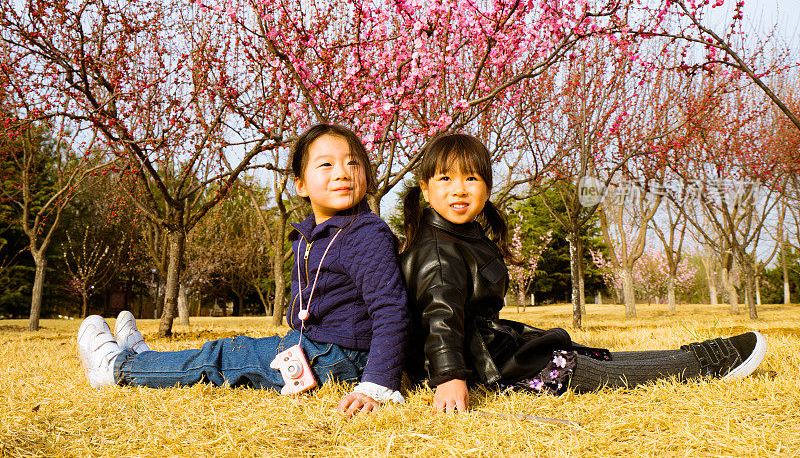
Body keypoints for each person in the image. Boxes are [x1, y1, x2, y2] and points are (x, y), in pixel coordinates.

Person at [399, 133, 767, 413]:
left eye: (471, 179)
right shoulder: (437, 250)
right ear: (426, 189)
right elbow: (440, 317)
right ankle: (702, 366)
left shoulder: (460, 233)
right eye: (445, 179)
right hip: (483, 366)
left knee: (594, 358)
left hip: (494, 352)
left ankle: (700, 356)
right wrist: (449, 378)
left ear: (488, 188)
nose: (459, 190)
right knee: (586, 371)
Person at [77, 124, 409, 416]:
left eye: (353, 162)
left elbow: (390, 309)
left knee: (222, 357)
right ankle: (148, 360)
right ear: (301, 185)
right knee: (233, 350)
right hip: (321, 347)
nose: (342, 172)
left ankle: (120, 369)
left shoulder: (365, 234)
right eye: (326, 164)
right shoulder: (317, 232)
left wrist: (377, 384)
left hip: (341, 359)